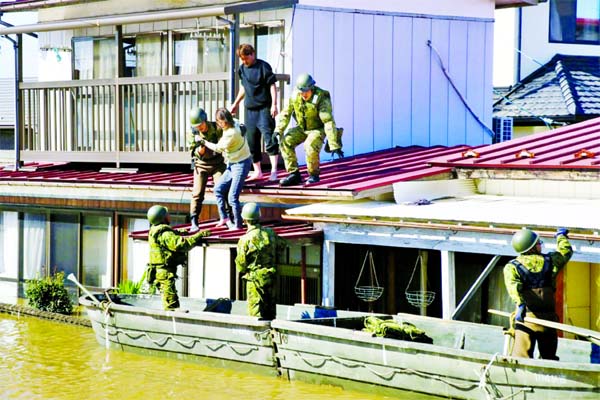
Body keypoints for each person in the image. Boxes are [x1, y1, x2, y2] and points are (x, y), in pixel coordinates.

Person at [503, 227, 573, 360]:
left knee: (521, 358)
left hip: (526, 319)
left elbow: (513, 287)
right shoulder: (551, 260)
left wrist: (520, 304)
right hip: (549, 321)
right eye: (539, 243)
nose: (541, 245)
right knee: (549, 358)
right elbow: (565, 252)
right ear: (532, 247)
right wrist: (561, 236)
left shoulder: (512, 267)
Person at [276, 73, 344, 186]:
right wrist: (278, 130)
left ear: (311, 88)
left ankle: (313, 175)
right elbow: (285, 113)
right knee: (285, 141)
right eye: (301, 91)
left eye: (306, 91)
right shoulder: (295, 96)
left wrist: (333, 144)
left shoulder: (321, 96)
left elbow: (328, 121)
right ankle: (294, 174)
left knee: (310, 145)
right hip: (302, 128)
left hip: (318, 128)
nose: (303, 94)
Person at [230, 43, 279, 182]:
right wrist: (235, 104)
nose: (245, 61)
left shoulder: (264, 66)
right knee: (252, 141)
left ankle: (274, 171)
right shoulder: (242, 69)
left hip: (264, 108)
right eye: (242, 59)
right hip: (249, 110)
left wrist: (274, 105)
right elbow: (243, 88)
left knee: (269, 139)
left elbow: (272, 86)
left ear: (252, 54)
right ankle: (258, 171)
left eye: (246, 58)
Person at [146, 205, 211, 310]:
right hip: (165, 273)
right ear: (163, 218)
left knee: (169, 298)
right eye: (167, 215)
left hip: (160, 271)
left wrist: (178, 232)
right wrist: (199, 235)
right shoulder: (165, 233)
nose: (169, 216)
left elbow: (169, 238)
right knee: (171, 303)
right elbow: (181, 245)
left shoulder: (155, 229)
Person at [196, 108, 251, 230]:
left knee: (232, 197)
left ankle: (238, 225)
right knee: (218, 189)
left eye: (222, 122)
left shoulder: (231, 133)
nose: (221, 124)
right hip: (232, 164)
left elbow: (218, 148)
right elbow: (242, 125)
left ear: (225, 121)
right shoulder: (235, 122)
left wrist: (203, 142)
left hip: (241, 164)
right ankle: (224, 218)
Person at [235, 202, 287, 320]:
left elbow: (241, 266)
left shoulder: (244, 240)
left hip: (255, 282)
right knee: (270, 315)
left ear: (244, 220)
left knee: (256, 315)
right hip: (271, 278)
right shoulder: (270, 233)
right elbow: (282, 246)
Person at [188, 107, 226, 232]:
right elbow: (196, 153)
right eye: (197, 126)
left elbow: (225, 139)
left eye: (201, 125)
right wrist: (201, 146)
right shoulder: (193, 133)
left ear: (205, 120)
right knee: (197, 193)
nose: (200, 128)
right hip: (201, 164)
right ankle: (194, 220)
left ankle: (226, 217)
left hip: (217, 163)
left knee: (221, 188)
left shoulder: (216, 127)